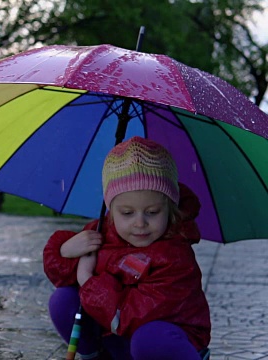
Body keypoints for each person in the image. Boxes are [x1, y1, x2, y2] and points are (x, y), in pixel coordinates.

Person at [43, 136, 211, 360]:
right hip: (114, 336)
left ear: (170, 209)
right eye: (127, 213)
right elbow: (60, 275)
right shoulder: (101, 232)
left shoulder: (175, 257)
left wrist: (87, 280)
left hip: (162, 340)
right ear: (111, 210)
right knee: (64, 300)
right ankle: (95, 356)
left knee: (149, 339)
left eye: (152, 212)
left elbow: (134, 316)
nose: (140, 223)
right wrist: (64, 251)